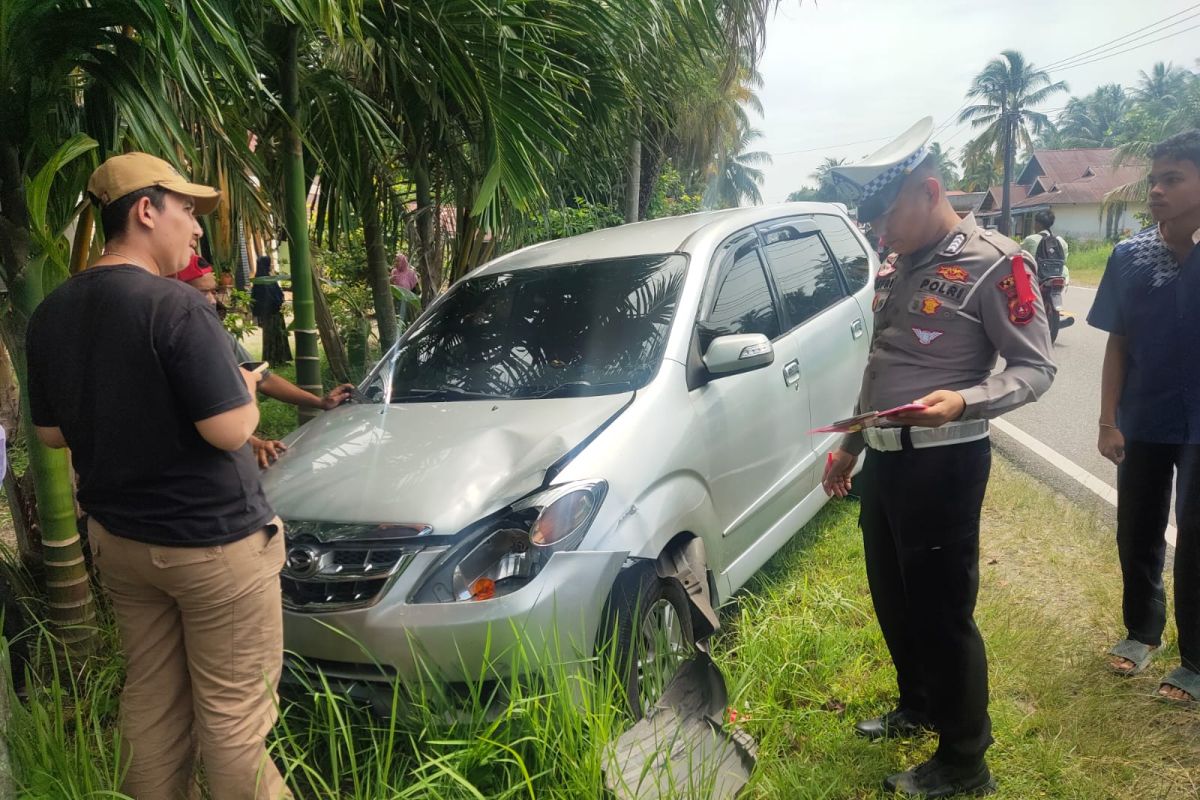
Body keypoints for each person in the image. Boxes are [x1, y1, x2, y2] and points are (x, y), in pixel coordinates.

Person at [25, 152, 291, 799]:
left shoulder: (51, 314)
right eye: (188, 211)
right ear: (146, 210)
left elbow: (52, 435)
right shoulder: (173, 306)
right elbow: (230, 429)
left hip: (123, 547)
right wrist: (246, 386)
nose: (197, 229)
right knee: (233, 721)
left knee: (151, 701)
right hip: (212, 546)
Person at [823, 118, 1056, 797]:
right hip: (889, 459)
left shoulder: (996, 261)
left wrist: (966, 399)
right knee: (895, 597)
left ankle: (964, 759)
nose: (879, 231)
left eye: (887, 214)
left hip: (945, 465)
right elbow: (883, 368)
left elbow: (1034, 369)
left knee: (941, 609)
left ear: (929, 191)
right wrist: (849, 444)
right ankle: (918, 704)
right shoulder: (904, 266)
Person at [1087, 129, 1200, 704]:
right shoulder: (1128, 256)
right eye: (1154, 179)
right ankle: (1141, 632)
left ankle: (1196, 661)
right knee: (1137, 528)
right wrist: (1108, 420)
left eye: (1173, 179)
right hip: (1144, 415)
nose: (1156, 190)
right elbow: (1118, 343)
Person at [174, 255, 353, 467]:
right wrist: (252, 441)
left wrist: (320, 402)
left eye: (213, 291)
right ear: (176, 292)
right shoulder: (168, 342)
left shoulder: (219, 337)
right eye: (202, 293)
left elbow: (262, 378)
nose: (212, 301)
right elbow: (200, 413)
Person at [251, 255, 292, 364]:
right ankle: (272, 360)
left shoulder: (265, 278)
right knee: (271, 335)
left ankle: (281, 359)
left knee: (278, 333)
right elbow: (261, 298)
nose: (271, 266)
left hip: (274, 311)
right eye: (269, 263)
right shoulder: (261, 280)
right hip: (269, 313)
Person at [390, 252, 419, 322]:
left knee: (408, 320)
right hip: (397, 301)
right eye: (395, 261)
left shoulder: (410, 272)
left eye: (398, 261)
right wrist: (390, 280)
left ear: (403, 262)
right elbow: (392, 287)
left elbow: (416, 286)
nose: (396, 263)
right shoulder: (394, 272)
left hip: (408, 300)